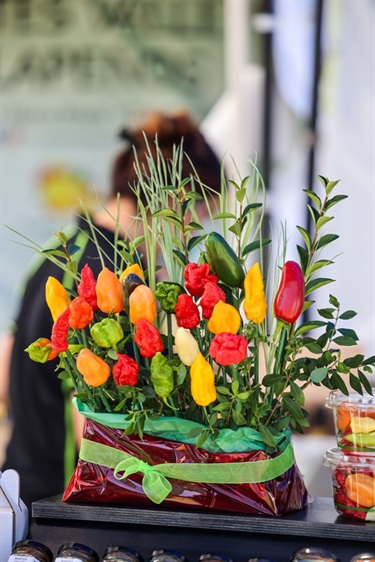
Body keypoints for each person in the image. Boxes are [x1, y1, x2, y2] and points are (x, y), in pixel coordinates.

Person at [0, 110, 222, 510]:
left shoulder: (59, 250)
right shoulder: (114, 277)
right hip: (67, 507)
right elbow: (90, 424)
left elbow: (5, 366)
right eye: (196, 218)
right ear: (173, 200)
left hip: (17, 491)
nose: (190, 234)